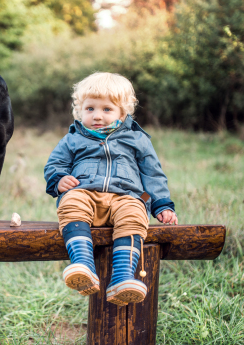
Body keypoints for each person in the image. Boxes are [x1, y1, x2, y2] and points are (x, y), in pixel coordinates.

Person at [44, 72, 178, 306]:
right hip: (84, 193)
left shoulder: (137, 139)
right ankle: (83, 265)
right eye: (90, 109)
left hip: (126, 196)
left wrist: (159, 204)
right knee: (71, 201)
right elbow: (55, 164)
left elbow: (152, 175)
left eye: (106, 109)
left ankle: (122, 278)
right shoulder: (72, 139)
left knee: (136, 210)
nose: (97, 116)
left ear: (122, 112)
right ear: (80, 110)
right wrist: (59, 179)